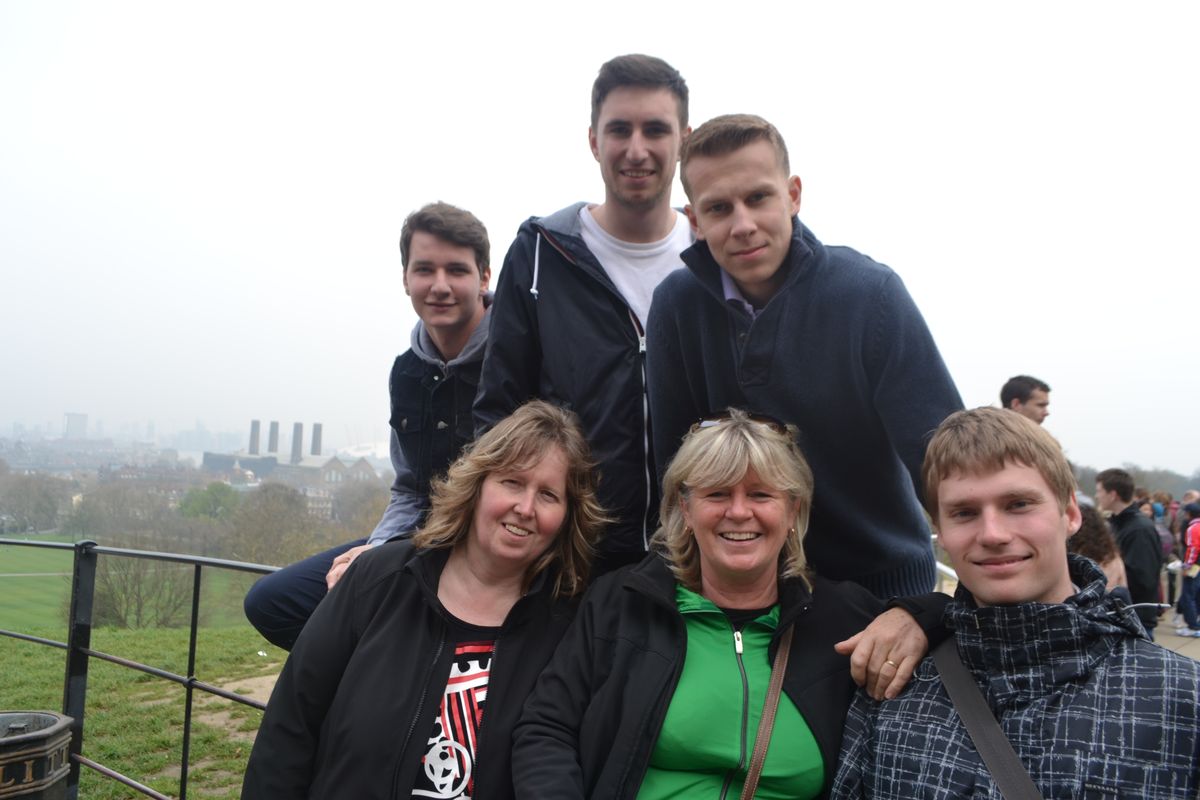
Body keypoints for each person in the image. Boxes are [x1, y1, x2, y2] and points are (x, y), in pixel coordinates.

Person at [512, 409, 947, 799]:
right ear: (685, 508)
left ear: (792, 511)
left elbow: (967, 622)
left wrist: (917, 617)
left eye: (761, 495)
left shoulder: (842, 618)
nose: (738, 512)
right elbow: (547, 728)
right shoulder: (621, 604)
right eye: (717, 494)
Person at [646, 113, 962, 598]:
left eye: (758, 198)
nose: (743, 225)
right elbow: (676, 477)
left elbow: (946, 467)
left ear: (793, 195)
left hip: (883, 591)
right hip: (743, 594)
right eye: (719, 208)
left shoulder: (871, 295)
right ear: (694, 221)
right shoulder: (675, 307)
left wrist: (938, 609)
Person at [241, 400, 608, 799]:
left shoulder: (569, 627)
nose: (525, 508)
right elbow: (290, 728)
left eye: (548, 495)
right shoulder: (378, 581)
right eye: (512, 482)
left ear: (569, 516)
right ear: (478, 485)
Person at [832, 407, 1200, 799]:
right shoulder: (892, 686)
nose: (993, 534)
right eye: (964, 513)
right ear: (939, 530)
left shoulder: (1180, 701)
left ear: (1070, 514)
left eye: (1018, 504)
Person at [475, 54, 693, 574]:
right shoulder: (540, 254)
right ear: (594, 140)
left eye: (655, 130)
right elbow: (500, 409)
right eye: (619, 130)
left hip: (698, 560)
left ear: (683, 140)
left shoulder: (714, 257)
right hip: (568, 559)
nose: (636, 149)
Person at [243, 202, 492, 650]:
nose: (439, 286)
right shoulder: (407, 372)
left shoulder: (513, 356)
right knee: (273, 602)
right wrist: (375, 551)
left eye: (456, 270)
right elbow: (410, 489)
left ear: (484, 278)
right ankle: (384, 677)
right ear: (405, 280)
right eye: (424, 270)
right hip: (420, 540)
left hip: (488, 548)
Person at [1095, 466, 1163, 637]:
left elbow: (1142, 578)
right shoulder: (1118, 524)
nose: (1097, 496)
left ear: (1113, 494)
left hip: (1135, 617)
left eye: (1099, 491)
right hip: (1122, 615)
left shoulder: (1139, 529)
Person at [1175, 502, 1200, 637]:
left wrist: (1187, 566)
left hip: (1194, 566)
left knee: (1188, 595)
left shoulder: (1192, 528)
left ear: (1189, 514)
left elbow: (1193, 548)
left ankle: (1192, 626)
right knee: (1197, 594)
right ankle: (1196, 622)